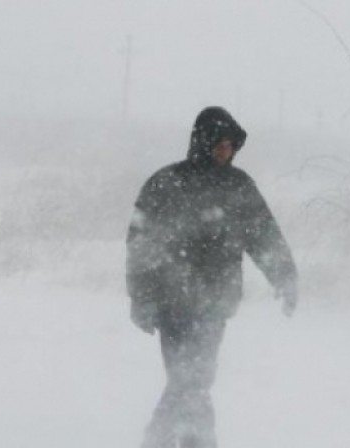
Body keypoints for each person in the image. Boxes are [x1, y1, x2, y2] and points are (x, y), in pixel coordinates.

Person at [125, 106, 298, 448]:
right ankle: (186, 441)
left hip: (214, 304)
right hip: (171, 302)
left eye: (230, 145)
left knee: (194, 379)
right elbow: (141, 245)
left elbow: (264, 234)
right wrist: (141, 298)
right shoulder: (167, 182)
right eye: (219, 143)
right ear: (202, 142)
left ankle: (164, 440)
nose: (225, 150)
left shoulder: (238, 186)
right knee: (189, 379)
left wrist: (285, 277)